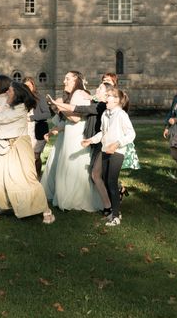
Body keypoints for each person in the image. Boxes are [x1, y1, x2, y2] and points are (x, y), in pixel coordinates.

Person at [0, 82, 55, 224]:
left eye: (9, 91)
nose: (6, 93)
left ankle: (46, 211)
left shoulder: (21, 108)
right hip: (6, 146)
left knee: (27, 180)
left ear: (17, 94)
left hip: (20, 147)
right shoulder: (6, 101)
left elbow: (2, 119)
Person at [42, 71, 103, 212]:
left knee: (73, 166)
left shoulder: (78, 93)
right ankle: (68, 196)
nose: (64, 81)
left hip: (77, 135)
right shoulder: (76, 94)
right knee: (69, 166)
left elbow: (75, 118)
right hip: (71, 133)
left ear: (76, 79)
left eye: (67, 79)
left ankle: (74, 199)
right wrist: (54, 130)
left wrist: (59, 106)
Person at [50, 80, 113, 215]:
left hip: (104, 144)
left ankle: (110, 206)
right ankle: (109, 203)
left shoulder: (100, 106)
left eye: (100, 88)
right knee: (97, 175)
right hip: (96, 142)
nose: (96, 89)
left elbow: (79, 109)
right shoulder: (98, 103)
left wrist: (57, 104)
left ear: (107, 94)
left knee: (97, 175)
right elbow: (91, 100)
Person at [82, 87, 136, 226]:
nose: (106, 98)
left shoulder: (121, 115)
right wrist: (91, 140)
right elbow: (102, 133)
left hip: (117, 152)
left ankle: (116, 216)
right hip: (105, 150)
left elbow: (131, 134)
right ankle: (113, 212)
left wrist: (117, 144)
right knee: (106, 181)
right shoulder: (105, 113)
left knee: (112, 182)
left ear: (117, 100)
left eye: (109, 96)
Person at [23, 77, 51, 177]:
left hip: (38, 130)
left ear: (33, 86)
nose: (27, 88)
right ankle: (28, 177)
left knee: (35, 156)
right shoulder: (21, 99)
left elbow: (47, 114)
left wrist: (32, 118)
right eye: (25, 86)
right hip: (24, 131)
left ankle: (38, 176)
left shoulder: (39, 98)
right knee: (26, 156)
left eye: (29, 86)